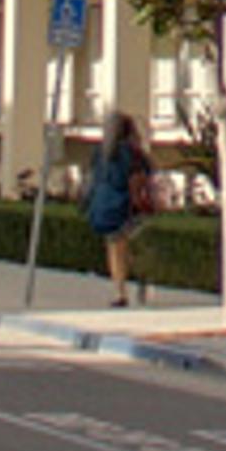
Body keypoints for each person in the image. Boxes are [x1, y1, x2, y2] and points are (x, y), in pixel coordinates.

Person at [84, 110, 155, 306]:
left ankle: (120, 290)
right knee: (128, 246)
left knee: (114, 248)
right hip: (129, 206)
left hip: (105, 206)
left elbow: (92, 179)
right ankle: (139, 276)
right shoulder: (133, 153)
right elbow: (148, 172)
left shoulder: (100, 152)